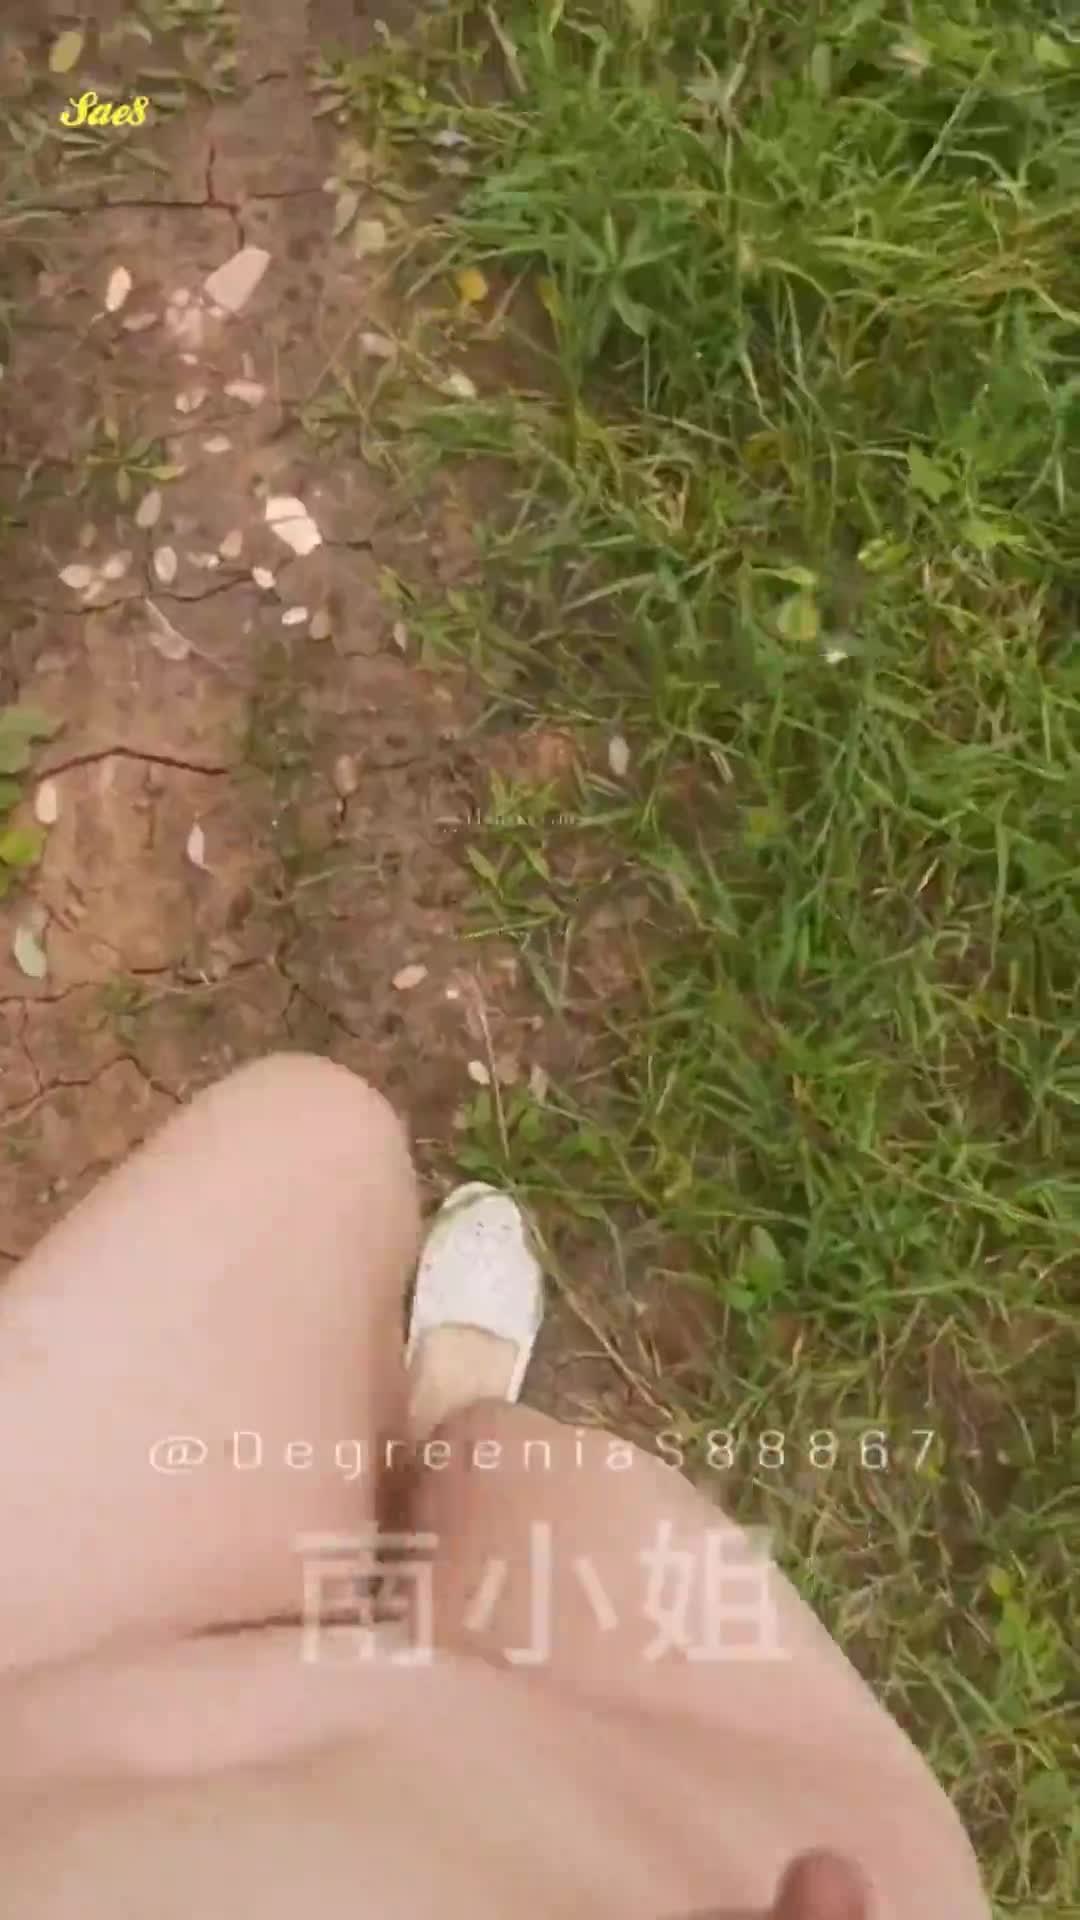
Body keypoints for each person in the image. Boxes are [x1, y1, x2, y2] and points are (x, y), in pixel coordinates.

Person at [0, 1054, 990, 1919]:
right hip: (645, 1803)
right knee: (510, 1476)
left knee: (313, 1150)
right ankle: (446, 1437)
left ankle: (422, 1472)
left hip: (67, 1676)